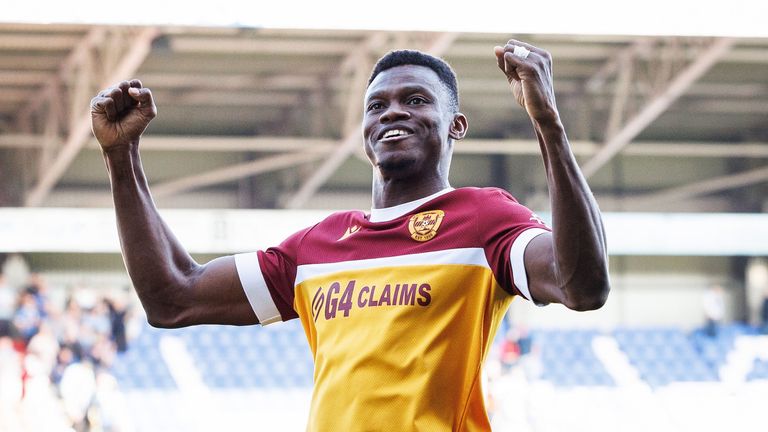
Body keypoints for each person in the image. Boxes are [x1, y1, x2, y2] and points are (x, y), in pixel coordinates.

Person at [90, 39, 610, 431]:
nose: (393, 112)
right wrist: (121, 156)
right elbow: (172, 298)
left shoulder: (483, 218)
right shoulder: (318, 246)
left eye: (415, 100)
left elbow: (581, 286)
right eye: (376, 105)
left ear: (456, 125)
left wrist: (548, 125)